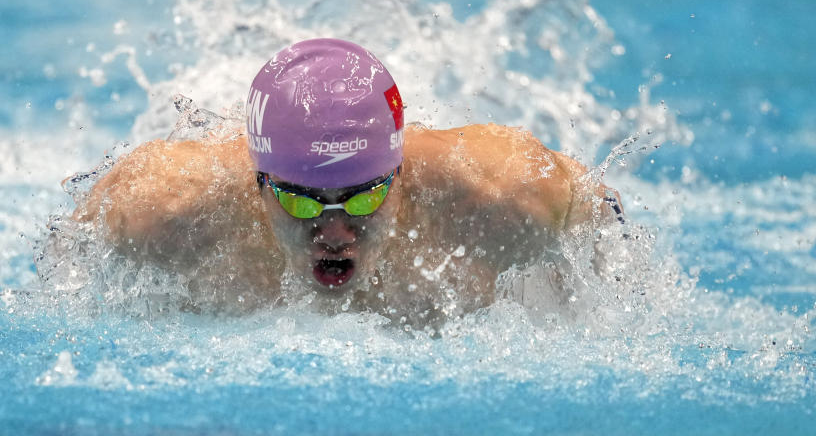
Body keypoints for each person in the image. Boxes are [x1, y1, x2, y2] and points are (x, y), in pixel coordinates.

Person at [65, 38, 622, 325]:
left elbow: (605, 217)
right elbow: (70, 249)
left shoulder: (504, 190)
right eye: (301, 203)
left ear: (399, 174)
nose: (334, 233)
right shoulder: (164, 206)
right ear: (259, 181)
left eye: (365, 196)